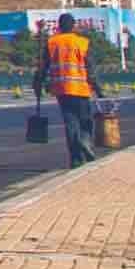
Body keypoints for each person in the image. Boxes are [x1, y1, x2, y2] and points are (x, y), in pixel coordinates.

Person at [38, 17, 100, 167]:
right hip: (80, 88)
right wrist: (97, 87)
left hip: (62, 89)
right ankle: (85, 142)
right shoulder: (82, 42)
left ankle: (75, 159)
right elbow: (90, 68)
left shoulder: (52, 43)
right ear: (73, 26)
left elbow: (43, 66)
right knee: (85, 120)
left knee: (70, 123)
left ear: (59, 26)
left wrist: (38, 84)